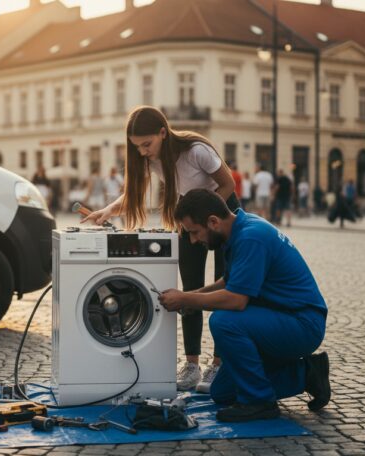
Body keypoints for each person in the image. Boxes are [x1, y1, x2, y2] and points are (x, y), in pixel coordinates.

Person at [82, 106, 239, 393]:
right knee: (189, 290)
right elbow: (133, 194)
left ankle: (220, 364)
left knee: (223, 289)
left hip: (222, 214)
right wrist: (105, 212)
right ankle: (192, 365)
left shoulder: (196, 150)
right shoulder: (151, 160)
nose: (142, 151)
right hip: (192, 218)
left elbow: (228, 183)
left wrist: (208, 218)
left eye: (147, 144)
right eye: (137, 147)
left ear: (163, 133)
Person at [159, 189, 329, 422]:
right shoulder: (238, 228)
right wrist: (191, 295)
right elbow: (229, 281)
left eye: (194, 232)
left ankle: (260, 402)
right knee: (223, 393)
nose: (193, 240)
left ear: (213, 222)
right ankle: (307, 374)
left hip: (302, 324)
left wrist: (186, 299)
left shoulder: (251, 237)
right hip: (278, 318)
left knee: (224, 321)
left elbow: (236, 300)